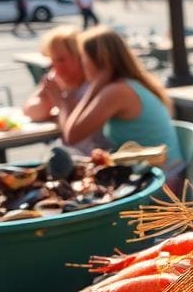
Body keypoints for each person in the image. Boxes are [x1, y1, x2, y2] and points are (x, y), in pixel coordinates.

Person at [53, 28, 184, 185]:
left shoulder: (116, 92)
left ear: (96, 61)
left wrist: (82, 92)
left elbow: (72, 136)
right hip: (165, 172)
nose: (83, 65)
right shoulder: (130, 84)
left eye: (83, 58)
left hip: (160, 181)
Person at [23, 26, 109, 155]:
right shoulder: (61, 80)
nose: (56, 67)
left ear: (80, 57)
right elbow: (31, 111)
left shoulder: (94, 86)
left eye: (61, 60)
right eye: (52, 61)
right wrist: (46, 93)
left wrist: (60, 101)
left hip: (94, 156)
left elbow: (74, 137)